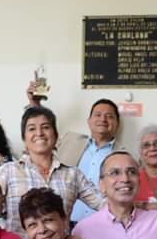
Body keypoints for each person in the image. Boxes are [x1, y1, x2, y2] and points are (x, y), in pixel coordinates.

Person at [0, 106, 104, 237]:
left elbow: (103, 204)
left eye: (45, 127)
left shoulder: (73, 174)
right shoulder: (8, 171)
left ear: (55, 136)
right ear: (24, 139)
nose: (39, 133)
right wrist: (4, 237)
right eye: (32, 129)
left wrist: (76, 234)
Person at [27, 82, 124, 224]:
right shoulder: (69, 140)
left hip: (104, 224)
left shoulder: (123, 155)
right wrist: (35, 105)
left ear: (117, 123)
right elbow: (41, 141)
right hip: (61, 224)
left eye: (109, 116)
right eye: (98, 115)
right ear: (89, 121)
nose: (103, 119)